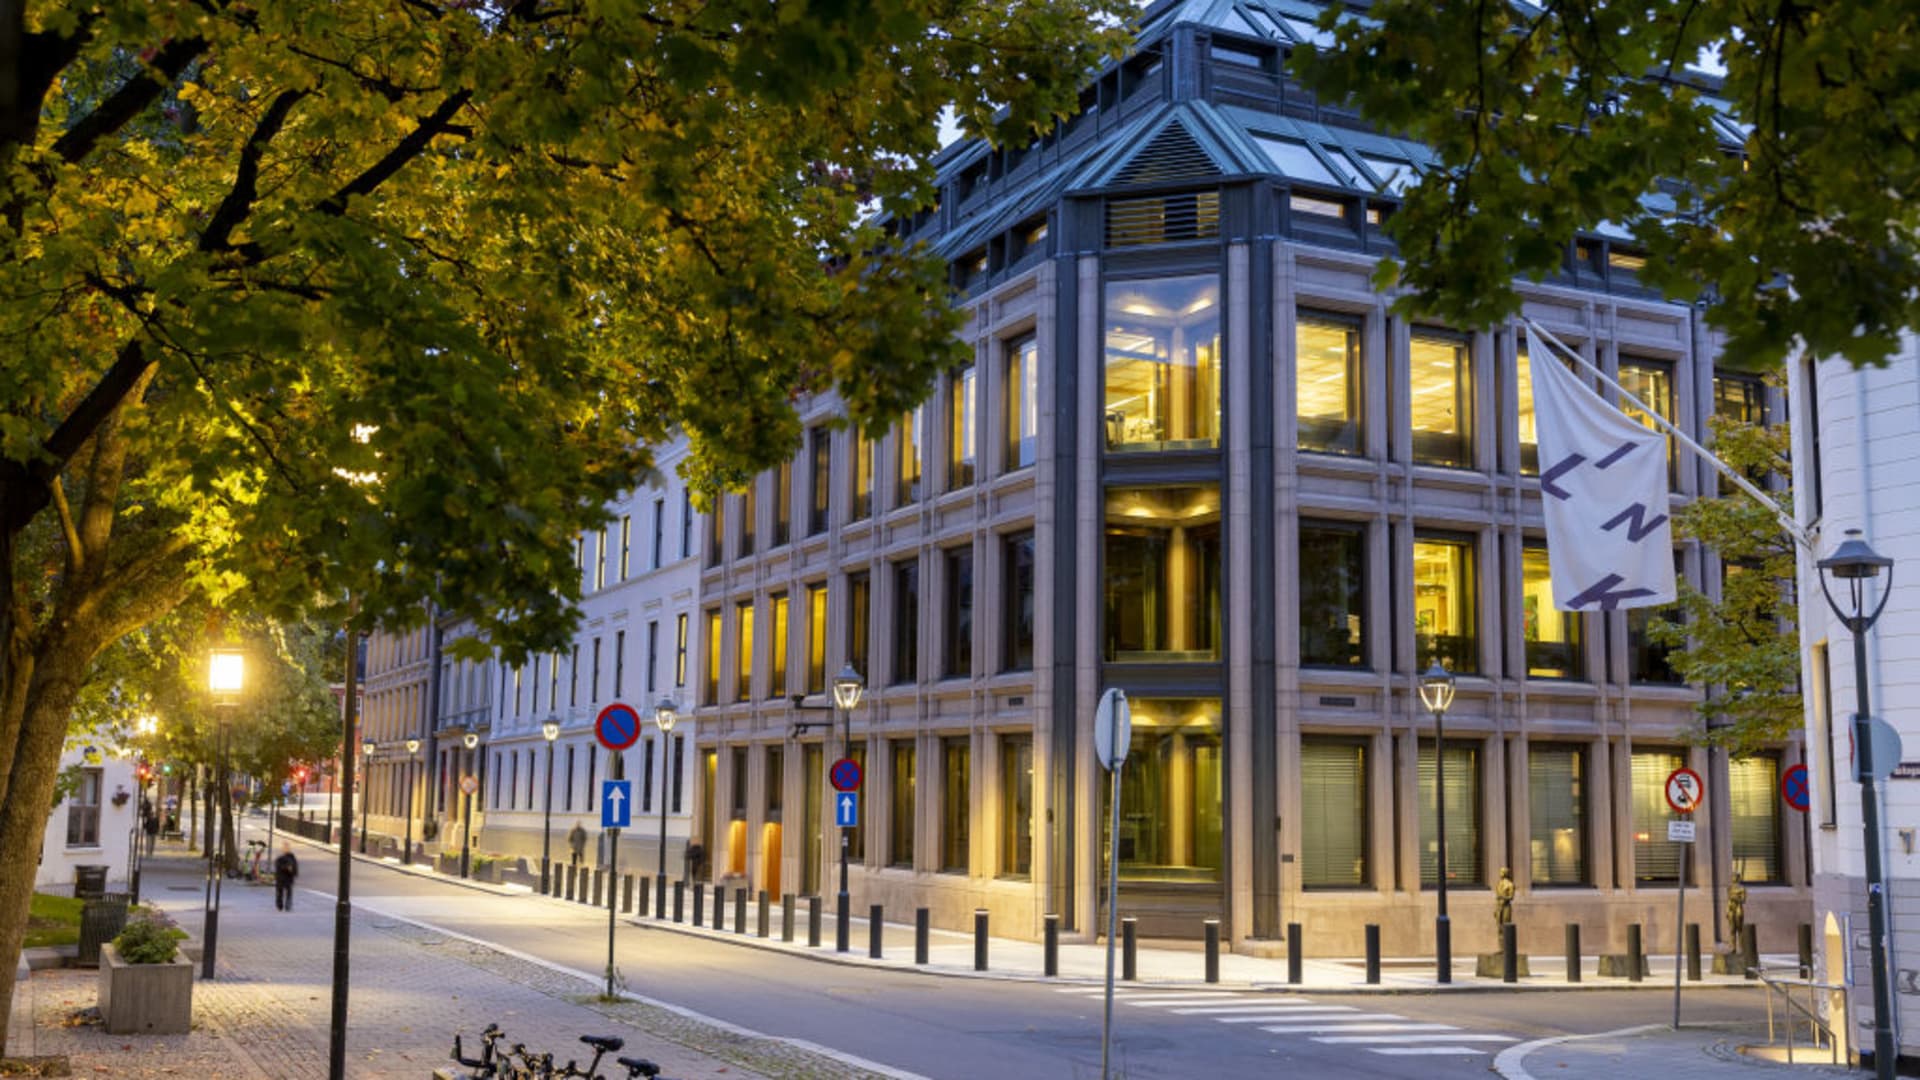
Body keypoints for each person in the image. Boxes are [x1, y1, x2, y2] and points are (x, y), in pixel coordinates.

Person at [273, 843, 299, 911]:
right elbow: (278, 866)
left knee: (289, 891)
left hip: (288, 878)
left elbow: (295, 867)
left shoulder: (292, 858)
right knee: (279, 892)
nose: (286, 849)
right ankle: (279, 905)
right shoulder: (280, 858)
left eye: (287, 848)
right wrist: (286, 867)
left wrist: (294, 872)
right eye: (284, 848)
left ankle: (288, 904)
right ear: (282, 849)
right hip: (280, 878)